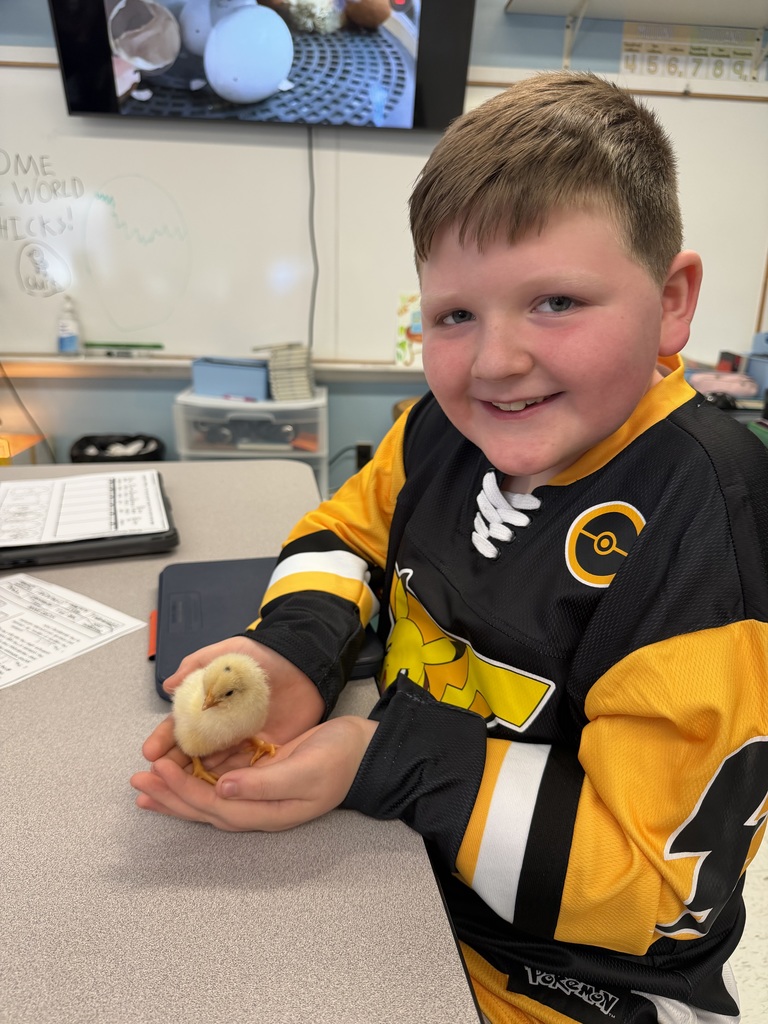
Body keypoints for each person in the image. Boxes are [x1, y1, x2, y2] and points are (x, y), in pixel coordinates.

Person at [132, 71, 768, 1024]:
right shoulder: (438, 427)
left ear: (673, 303)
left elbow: (652, 893)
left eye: (555, 301)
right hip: (402, 881)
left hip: (572, 982)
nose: (494, 362)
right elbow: (346, 531)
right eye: (454, 315)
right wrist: (295, 653)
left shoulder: (705, 523)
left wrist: (380, 757)